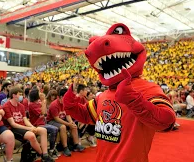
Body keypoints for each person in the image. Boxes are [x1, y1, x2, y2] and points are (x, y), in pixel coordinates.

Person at [63, 23, 176, 162]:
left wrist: (134, 101)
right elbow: (87, 115)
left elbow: (167, 122)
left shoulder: (148, 89)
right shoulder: (104, 95)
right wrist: (71, 107)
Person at [2, 87, 54, 162]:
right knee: (31, 135)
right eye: (20, 94)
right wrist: (29, 128)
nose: (22, 96)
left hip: (23, 126)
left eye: (22, 94)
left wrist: (32, 127)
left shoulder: (21, 106)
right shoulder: (6, 106)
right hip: (12, 129)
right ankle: (42, 155)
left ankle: (45, 154)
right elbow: (13, 124)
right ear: (13, 95)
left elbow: (25, 120)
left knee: (43, 130)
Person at [47, 88, 85, 157]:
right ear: (60, 97)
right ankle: (65, 147)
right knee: (63, 127)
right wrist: (68, 124)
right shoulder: (54, 105)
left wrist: (71, 122)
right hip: (51, 121)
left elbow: (68, 115)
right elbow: (57, 119)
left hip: (62, 119)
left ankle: (76, 144)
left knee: (73, 124)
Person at [28, 88, 60, 159]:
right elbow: (43, 113)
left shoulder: (39, 103)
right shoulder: (31, 104)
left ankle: (51, 149)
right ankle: (50, 150)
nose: (41, 94)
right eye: (39, 93)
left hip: (42, 123)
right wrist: (43, 102)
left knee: (55, 129)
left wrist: (43, 103)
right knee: (53, 129)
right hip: (36, 125)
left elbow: (44, 113)